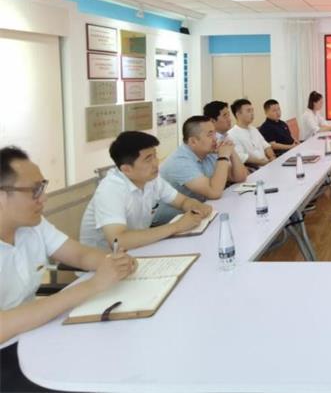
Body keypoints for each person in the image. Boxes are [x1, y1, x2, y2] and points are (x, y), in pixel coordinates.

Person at [1, 146, 136, 392]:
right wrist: (92, 286)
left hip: (33, 332)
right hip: (7, 353)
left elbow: (79, 254)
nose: (44, 198)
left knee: (114, 358)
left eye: (43, 187)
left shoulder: (33, 224)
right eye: (35, 190)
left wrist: (114, 262)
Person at [79, 132, 211, 251]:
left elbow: (182, 201)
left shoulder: (151, 179)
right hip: (104, 261)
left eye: (155, 156)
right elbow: (118, 241)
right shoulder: (111, 189)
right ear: (126, 169)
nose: (156, 163)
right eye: (148, 159)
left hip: (140, 249)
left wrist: (196, 206)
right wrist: (176, 226)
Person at [155, 116, 247, 224]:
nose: (215, 138)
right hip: (170, 222)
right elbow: (214, 193)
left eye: (214, 133)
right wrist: (223, 156)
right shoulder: (180, 162)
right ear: (193, 141)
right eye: (209, 135)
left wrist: (231, 150)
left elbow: (240, 177)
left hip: (199, 214)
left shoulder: (208, 152)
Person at [227, 98, 275, 168]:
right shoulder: (232, 134)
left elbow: (266, 146)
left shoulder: (253, 129)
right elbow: (242, 157)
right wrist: (265, 162)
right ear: (238, 114)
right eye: (248, 111)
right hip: (254, 169)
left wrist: (272, 158)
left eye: (252, 110)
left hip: (267, 165)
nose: (252, 113)